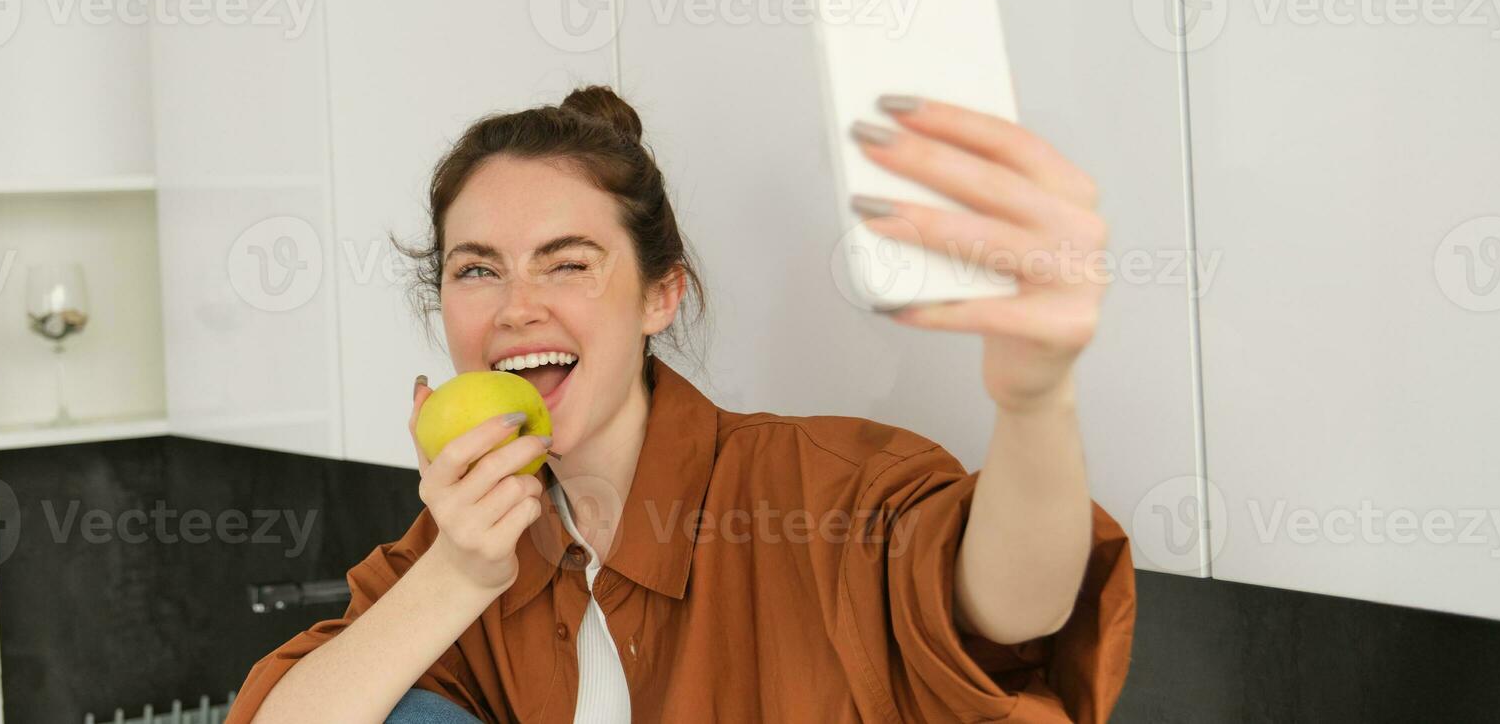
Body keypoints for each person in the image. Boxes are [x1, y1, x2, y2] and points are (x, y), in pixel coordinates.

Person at [226, 86, 1135, 723]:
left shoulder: (818, 491)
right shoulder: (465, 541)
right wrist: (456, 578)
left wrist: (1036, 396)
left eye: (568, 262)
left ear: (662, 295)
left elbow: (1015, 607)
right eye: (476, 269)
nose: (514, 307)